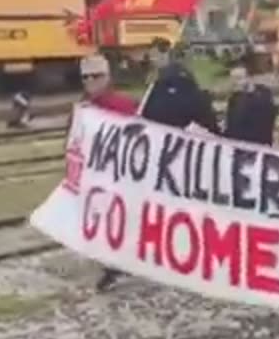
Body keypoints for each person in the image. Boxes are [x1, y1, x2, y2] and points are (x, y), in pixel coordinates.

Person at [77, 55, 141, 293]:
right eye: (86, 77)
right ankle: (114, 264)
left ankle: (117, 266)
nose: (91, 81)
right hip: (95, 178)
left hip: (119, 176)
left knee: (118, 222)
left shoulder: (122, 106)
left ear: (107, 77)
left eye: (96, 76)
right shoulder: (83, 107)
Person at [139, 59, 220, 133]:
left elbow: (141, 117)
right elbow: (212, 129)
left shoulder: (152, 92)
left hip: (153, 140)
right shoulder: (197, 95)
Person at [223, 63, 277, 145]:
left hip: (257, 143)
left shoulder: (263, 95)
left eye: (239, 78)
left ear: (249, 77)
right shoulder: (234, 98)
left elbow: (267, 119)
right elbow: (231, 124)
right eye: (233, 78)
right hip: (238, 144)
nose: (236, 82)